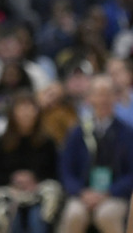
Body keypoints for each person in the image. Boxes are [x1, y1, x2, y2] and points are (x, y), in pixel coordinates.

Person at [58, 75, 133, 233]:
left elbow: (131, 174)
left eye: (108, 94)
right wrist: (81, 192)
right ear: (89, 98)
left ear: (116, 97)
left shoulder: (127, 133)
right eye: (99, 94)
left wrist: (109, 192)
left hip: (115, 196)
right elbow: (66, 170)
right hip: (83, 194)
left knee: (106, 215)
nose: (103, 99)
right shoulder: (77, 132)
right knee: (74, 214)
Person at [0, 92, 61, 233]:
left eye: (30, 108)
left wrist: (35, 179)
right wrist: (12, 180)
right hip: (8, 194)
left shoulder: (47, 143)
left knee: (37, 220)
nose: (26, 113)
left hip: (39, 194)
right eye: (21, 108)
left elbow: (55, 173)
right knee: (11, 220)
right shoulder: (0, 143)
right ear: (13, 113)